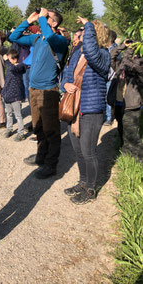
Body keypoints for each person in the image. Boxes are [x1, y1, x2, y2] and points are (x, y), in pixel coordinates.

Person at [9, 8, 68, 179]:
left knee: (51, 130)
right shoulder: (37, 38)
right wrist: (28, 21)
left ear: (54, 23)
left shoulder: (59, 41)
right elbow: (14, 38)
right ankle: (41, 156)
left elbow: (50, 36)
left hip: (47, 91)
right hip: (33, 90)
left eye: (47, 17)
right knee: (38, 127)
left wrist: (42, 18)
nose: (43, 18)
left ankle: (51, 164)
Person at [62, 17, 111, 204]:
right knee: (78, 151)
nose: (82, 33)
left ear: (94, 34)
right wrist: (65, 85)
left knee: (88, 152)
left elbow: (91, 51)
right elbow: (66, 75)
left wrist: (89, 24)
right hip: (74, 109)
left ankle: (90, 189)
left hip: (91, 111)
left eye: (87, 31)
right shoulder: (77, 53)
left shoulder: (102, 54)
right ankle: (82, 182)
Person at [107, 39, 143, 160]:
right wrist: (121, 46)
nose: (130, 50)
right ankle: (126, 156)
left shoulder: (139, 64)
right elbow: (110, 57)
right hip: (118, 103)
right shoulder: (122, 63)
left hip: (131, 105)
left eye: (133, 48)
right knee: (122, 130)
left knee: (132, 135)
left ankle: (137, 160)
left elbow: (133, 67)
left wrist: (130, 53)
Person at [2, 49, 26, 141]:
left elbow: (12, 68)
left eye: (10, 59)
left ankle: (20, 133)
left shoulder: (19, 66)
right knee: (9, 114)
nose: (8, 61)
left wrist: (7, 60)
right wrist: (4, 92)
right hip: (7, 95)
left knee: (18, 115)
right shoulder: (10, 66)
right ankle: (9, 129)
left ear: (15, 59)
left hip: (16, 96)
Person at [104, 30, 118, 125]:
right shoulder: (103, 47)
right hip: (104, 75)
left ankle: (109, 118)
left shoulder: (116, 48)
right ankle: (105, 116)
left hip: (111, 76)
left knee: (108, 97)